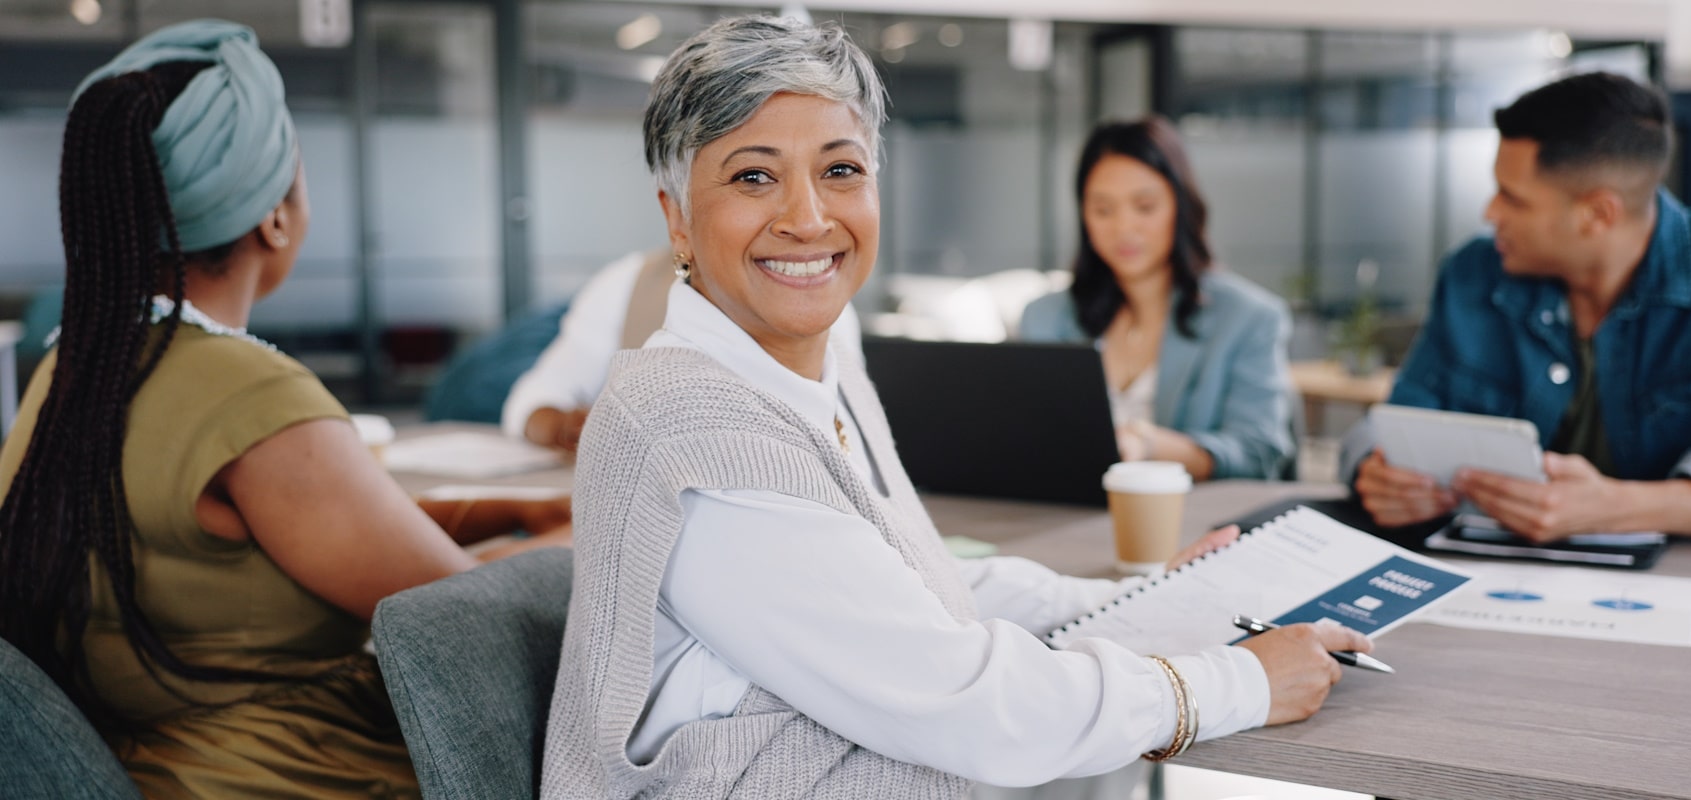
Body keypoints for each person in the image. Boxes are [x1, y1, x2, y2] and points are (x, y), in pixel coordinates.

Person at [541, 16, 1369, 798]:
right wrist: (1238, 683)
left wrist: (1136, 607)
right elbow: (966, 702)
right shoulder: (696, 428)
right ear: (677, 222)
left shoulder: (820, 359)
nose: (808, 217)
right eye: (753, 176)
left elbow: (914, 585)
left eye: (841, 169)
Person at [0, 21, 570, 797]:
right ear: (275, 215)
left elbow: (304, 529)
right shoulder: (246, 394)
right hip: (305, 774)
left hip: (157, 765)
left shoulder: (79, 363)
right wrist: (585, 535)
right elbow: (462, 617)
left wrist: (511, 508)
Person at [1344, 71, 1691, 543]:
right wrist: (1376, 470)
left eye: (1513, 199)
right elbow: (1396, 422)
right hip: (1485, 576)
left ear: (1597, 214)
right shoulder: (1473, 274)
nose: (1491, 213)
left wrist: (1620, 506)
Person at [1019, 117, 1295, 481]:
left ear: (1180, 206)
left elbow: (1259, 451)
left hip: (1189, 522)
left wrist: (1148, 445)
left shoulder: (1249, 318)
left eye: (1145, 207)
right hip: (1063, 519)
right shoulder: (1046, 316)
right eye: (1103, 209)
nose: (1123, 228)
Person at [501, 248, 865, 453]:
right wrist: (564, 426)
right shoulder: (626, 284)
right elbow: (531, 398)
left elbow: (854, 444)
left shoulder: (822, 304)